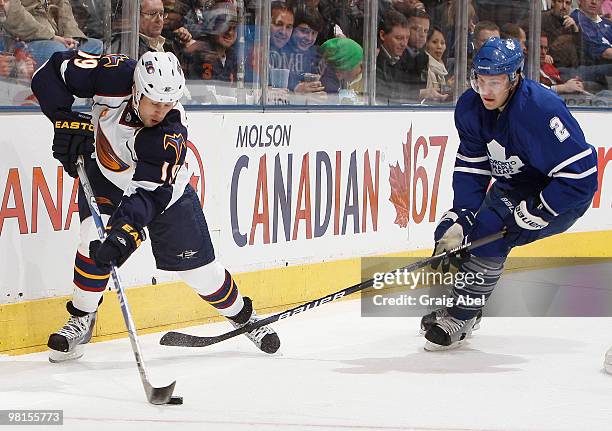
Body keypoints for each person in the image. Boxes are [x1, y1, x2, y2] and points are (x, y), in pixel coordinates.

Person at [30, 50, 281, 362]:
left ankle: (245, 317)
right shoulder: (111, 73)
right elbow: (49, 72)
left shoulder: (169, 131)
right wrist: (63, 118)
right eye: (154, 102)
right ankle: (82, 318)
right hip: (107, 175)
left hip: (164, 195)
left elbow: (148, 194)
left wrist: (123, 234)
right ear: (136, 88)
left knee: (201, 274)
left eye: (168, 104)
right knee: (92, 239)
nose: (160, 111)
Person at [420, 37, 598, 351]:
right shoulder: (469, 106)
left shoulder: (540, 109)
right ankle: (467, 310)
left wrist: (541, 209)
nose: (485, 91)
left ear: (514, 78)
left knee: (491, 232)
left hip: (559, 195)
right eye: (480, 80)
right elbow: (473, 166)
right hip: (514, 186)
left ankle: (461, 315)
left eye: (495, 82)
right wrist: (461, 213)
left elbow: (581, 177)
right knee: (473, 232)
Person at [1, 0, 102, 68]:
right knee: (58, 52)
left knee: (94, 46)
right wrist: (51, 37)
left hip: (50, 34)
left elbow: (62, 5)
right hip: (19, 38)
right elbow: (13, 15)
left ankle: (79, 94)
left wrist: (70, 36)